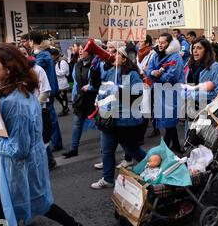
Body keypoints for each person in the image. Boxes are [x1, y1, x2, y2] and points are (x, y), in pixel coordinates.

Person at [0, 44, 85, 226]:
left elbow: (18, 149)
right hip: (15, 166)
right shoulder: (13, 90)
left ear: (8, 69)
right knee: (7, 208)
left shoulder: (15, 102)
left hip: (19, 167)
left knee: (14, 211)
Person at [90, 45, 146, 189]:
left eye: (117, 53)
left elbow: (137, 96)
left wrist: (119, 91)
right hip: (109, 119)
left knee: (134, 151)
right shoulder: (111, 71)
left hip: (125, 121)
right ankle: (108, 179)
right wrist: (94, 69)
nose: (112, 55)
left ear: (125, 58)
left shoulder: (133, 74)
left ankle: (154, 167)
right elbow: (98, 86)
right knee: (107, 151)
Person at [147, 33, 185, 153]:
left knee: (169, 120)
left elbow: (171, 77)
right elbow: (148, 70)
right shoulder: (156, 55)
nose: (160, 44)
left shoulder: (176, 57)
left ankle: (165, 151)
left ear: (169, 43)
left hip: (170, 93)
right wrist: (152, 73)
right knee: (169, 122)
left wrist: (157, 76)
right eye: (159, 42)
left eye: (163, 42)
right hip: (159, 93)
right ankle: (176, 146)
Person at [29, 31, 63, 151]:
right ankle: (56, 142)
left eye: (29, 40)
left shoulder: (42, 55)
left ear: (32, 41)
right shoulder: (43, 53)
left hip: (45, 91)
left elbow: (34, 69)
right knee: (50, 117)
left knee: (49, 118)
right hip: (47, 89)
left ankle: (55, 143)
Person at [62, 44, 97, 159]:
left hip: (93, 100)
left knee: (101, 126)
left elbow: (99, 82)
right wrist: (73, 97)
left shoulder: (95, 65)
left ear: (90, 52)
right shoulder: (77, 64)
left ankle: (105, 152)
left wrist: (91, 87)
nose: (80, 52)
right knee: (77, 124)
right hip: (80, 99)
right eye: (80, 50)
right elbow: (76, 83)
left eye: (83, 50)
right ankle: (73, 149)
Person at [51, 48, 70, 116]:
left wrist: (54, 72)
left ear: (55, 55)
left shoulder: (62, 61)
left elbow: (63, 72)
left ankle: (65, 108)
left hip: (62, 82)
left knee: (63, 96)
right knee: (59, 95)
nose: (51, 57)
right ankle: (65, 107)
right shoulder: (57, 61)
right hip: (59, 82)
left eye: (52, 55)